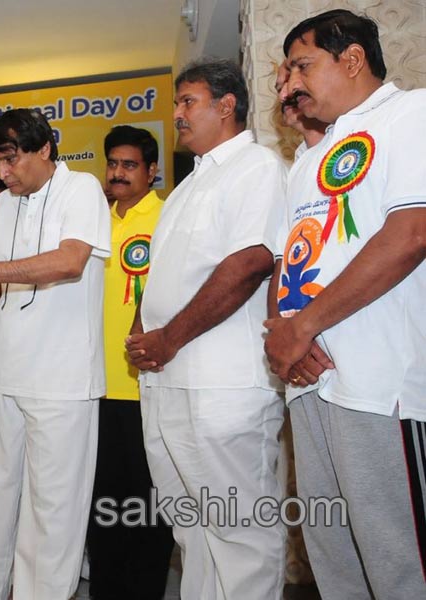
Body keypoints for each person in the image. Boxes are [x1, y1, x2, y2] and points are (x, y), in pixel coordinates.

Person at [265, 10, 426, 598]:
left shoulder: (412, 114)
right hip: (310, 381)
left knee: (397, 561)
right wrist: (286, 333)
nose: (293, 83)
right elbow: (289, 263)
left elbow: (410, 233)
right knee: (334, 557)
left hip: (382, 387)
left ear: (352, 59)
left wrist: (302, 327)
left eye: (303, 66)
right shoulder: (309, 158)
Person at [0, 108, 111, 600]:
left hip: (62, 376)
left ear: (44, 149)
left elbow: (70, 262)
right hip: (3, 371)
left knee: (53, 506)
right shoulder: (4, 205)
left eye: (11, 160)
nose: (3, 173)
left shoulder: (81, 189)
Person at [126, 59, 287, 600]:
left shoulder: (257, 166)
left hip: (224, 381)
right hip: (168, 381)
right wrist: (142, 327)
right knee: (191, 527)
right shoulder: (185, 187)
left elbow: (249, 263)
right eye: (177, 104)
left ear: (227, 105)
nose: (176, 115)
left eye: (187, 102)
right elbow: (165, 276)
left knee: (241, 530)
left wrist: (167, 338)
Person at [87, 125, 173, 599]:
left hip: (144, 386)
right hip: (94, 386)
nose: (118, 173)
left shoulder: (166, 216)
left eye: (130, 165)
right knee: (101, 502)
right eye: (113, 164)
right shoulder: (94, 220)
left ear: (152, 170)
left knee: (145, 504)